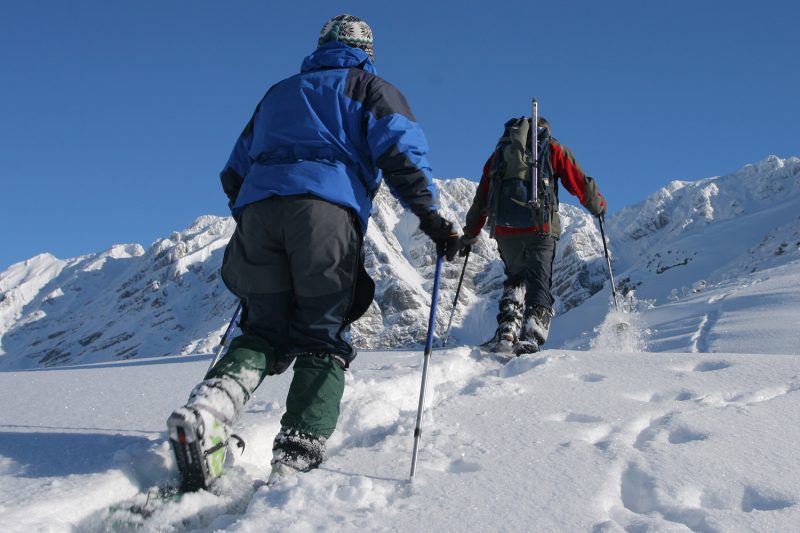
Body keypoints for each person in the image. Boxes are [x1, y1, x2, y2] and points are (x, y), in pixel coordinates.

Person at [166, 14, 460, 491]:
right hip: (326, 213)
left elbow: (232, 171)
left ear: (321, 46)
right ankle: (297, 452)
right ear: (367, 50)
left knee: (262, 328)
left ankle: (209, 410)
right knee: (324, 333)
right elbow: (402, 154)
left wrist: (258, 212)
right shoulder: (370, 88)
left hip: (259, 212)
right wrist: (431, 218)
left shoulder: (278, 93)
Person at [461, 115, 606, 355]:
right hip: (541, 227)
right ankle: (531, 337)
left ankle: (507, 328)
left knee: (515, 277)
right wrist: (597, 206)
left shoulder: (501, 153)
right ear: (546, 131)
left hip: (505, 230)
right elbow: (579, 182)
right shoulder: (552, 148)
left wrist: (470, 235)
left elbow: (481, 199)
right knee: (538, 281)